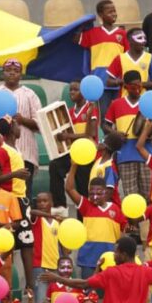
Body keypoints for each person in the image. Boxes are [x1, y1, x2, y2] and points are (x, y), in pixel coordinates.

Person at [0, 58, 42, 196]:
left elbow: (41, 124)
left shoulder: (29, 94)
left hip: (25, 153)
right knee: (0, 193)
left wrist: (23, 120)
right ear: (3, 72)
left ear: (21, 74)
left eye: (16, 71)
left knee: (24, 193)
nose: (12, 73)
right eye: (8, 70)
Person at [0, 117, 35, 287]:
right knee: (8, 242)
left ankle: (29, 284)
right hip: (9, 199)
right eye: (17, 125)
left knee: (26, 241)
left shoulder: (16, 149)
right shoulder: (2, 151)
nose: (20, 128)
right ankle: (6, 285)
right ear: (11, 129)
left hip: (21, 199)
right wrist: (15, 174)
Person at [65, 164, 126, 278]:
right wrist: (73, 166)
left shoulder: (115, 209)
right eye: (91, 194)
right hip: (88, 260)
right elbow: (69, 189)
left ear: (106, 192)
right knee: (88, 288)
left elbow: (124, 230)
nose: (95, 197)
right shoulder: (86, 206)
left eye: (99, 193)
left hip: (109, 260)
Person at [49, 80, 99, 212]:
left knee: (82, 189)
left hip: (87, 153)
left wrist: (68, 136)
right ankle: (60, 205)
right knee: (55, 166)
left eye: (75, 90)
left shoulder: (91, 109)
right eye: (70, 90)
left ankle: (84, 217)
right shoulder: (69, 112)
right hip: (73, 152)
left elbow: (91, 134)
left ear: (84, 91)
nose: (72, 92)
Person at [104, 70, 152, 197]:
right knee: (131, 197)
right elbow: (105, 125)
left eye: (139, 85)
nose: (137, 89)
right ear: (125, 86)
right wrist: (115, 133)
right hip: (125, 156)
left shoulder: (148, 103)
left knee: (149, 196)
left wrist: (149, 131)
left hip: (146, 155)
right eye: (133, 86)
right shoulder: (116, 104)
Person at [77, 0, 129, 115]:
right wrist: (82, 23)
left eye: (114, 11)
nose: (114, 14)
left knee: (118, 115)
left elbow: (127, 57)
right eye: (110, 12)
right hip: (100, 83)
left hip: (118, 82)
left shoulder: (122, 34)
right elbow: (76, 39)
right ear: (101, 15)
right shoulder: (92, 33)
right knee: (104, 116)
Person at [29, 191, 63, 303]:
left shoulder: (57, 223)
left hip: (55, 268)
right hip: (40, 267)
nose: (42, 204)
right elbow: (31, 212)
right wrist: (52, 215)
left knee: (55, 302)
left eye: (45, 201)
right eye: (39, 201)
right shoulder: (36, 219)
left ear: (52, 203)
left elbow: (62, 245)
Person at [107, 28, 152, 97]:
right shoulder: (120, 58)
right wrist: (121, 82)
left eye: (145, 38)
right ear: (130, 40)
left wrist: (140, 84)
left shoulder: (150, 58)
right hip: (124, 99)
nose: (143, 41)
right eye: (139, 38)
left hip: (143, 100)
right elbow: (109, 82)